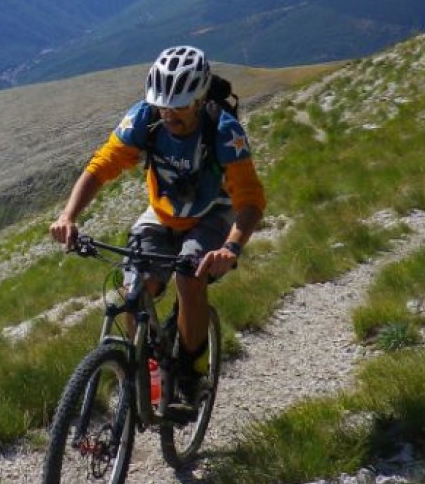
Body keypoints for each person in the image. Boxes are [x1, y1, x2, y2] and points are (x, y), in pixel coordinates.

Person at [49, 45, 266, 407]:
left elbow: (250, 200)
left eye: (178, 106)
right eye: (163, 105)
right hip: (162, 214)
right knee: (136, 289)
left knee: (188, 275)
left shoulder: (224, 131)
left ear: (198, 100)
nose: (169, 114)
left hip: (212, 215)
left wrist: (231, 248)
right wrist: (68, 216)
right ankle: (143, 375)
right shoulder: (145, 120)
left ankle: (191, 373)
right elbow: (101, 166)